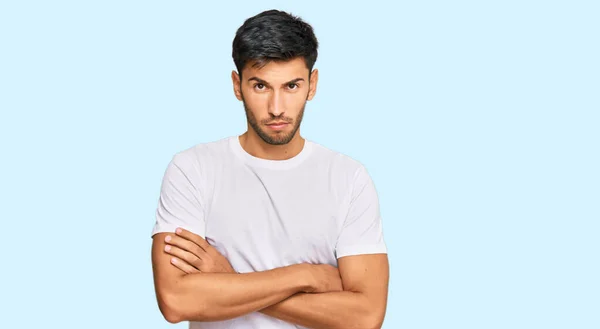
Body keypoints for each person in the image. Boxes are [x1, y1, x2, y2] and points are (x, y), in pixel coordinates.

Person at [150, 9, 389, 329]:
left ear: (312, 84)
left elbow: (366, 316)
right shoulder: (193, 170)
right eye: (260, 86)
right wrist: (306, 275)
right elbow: (177, 301)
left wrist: (229, 280)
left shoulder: (348, 179)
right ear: (238, 85)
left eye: (291, 86)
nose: (277, 108)